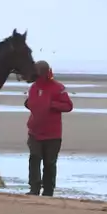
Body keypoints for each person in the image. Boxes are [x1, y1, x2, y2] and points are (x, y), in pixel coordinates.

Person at [23, 60, 73, 196]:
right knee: (34, 158)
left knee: (50, 163)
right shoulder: (33, 88)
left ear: (46, 73)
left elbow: (68, 106)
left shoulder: (58, 88)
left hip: (53, 134)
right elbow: (30, 103)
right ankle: (34, 188)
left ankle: (48, 190)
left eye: (38, 73)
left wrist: (51, 104)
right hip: (34, 131)